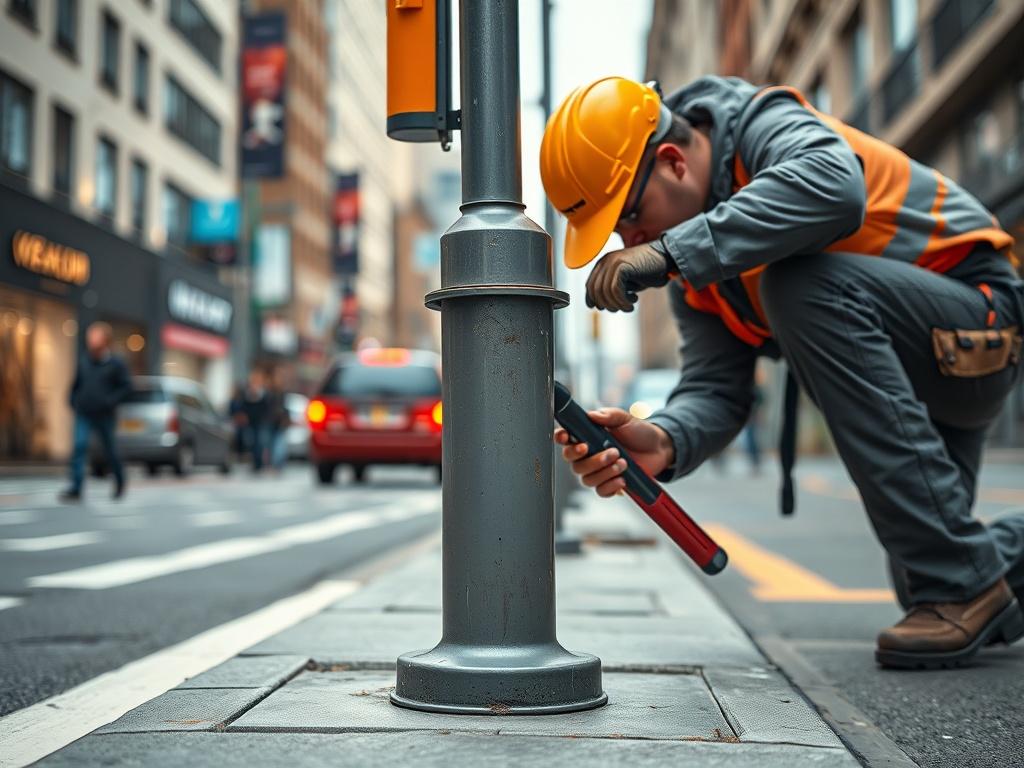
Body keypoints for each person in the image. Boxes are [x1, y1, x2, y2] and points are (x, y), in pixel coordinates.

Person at [541, 76, 1024, 669]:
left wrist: (670, 253)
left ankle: (965, 581)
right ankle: (967, 578)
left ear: (672, 161)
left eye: (629, 215)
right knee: (934, 575)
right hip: (918, 365)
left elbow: (835, 186)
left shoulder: (760, 124)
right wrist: (663, 440)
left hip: (974, 324)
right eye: (617, 232)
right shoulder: (699, 271)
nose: (629, 240)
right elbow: (717, 390)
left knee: (799, 284)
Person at [59, 322, 132, 501]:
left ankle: (120, 480)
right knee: (79, 446)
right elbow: (76, 384)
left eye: (95, 335)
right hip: (84, 412)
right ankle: (76, 488)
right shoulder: (84, 360)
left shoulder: (116, 363)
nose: (90, 339)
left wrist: (110, 402)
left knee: (109, 450)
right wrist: (73, 400)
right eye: (90, 335)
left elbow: (126, 387)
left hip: (104, 415)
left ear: (105, 340)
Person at [241, 369, 270, 473]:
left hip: (260, 422)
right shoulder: (247, 393)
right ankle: (255, 462)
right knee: (252, 442)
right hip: (250, 422)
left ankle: (259, 463)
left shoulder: (263, 393)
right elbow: (244, 406)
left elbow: (266, 407)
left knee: (259, 443)